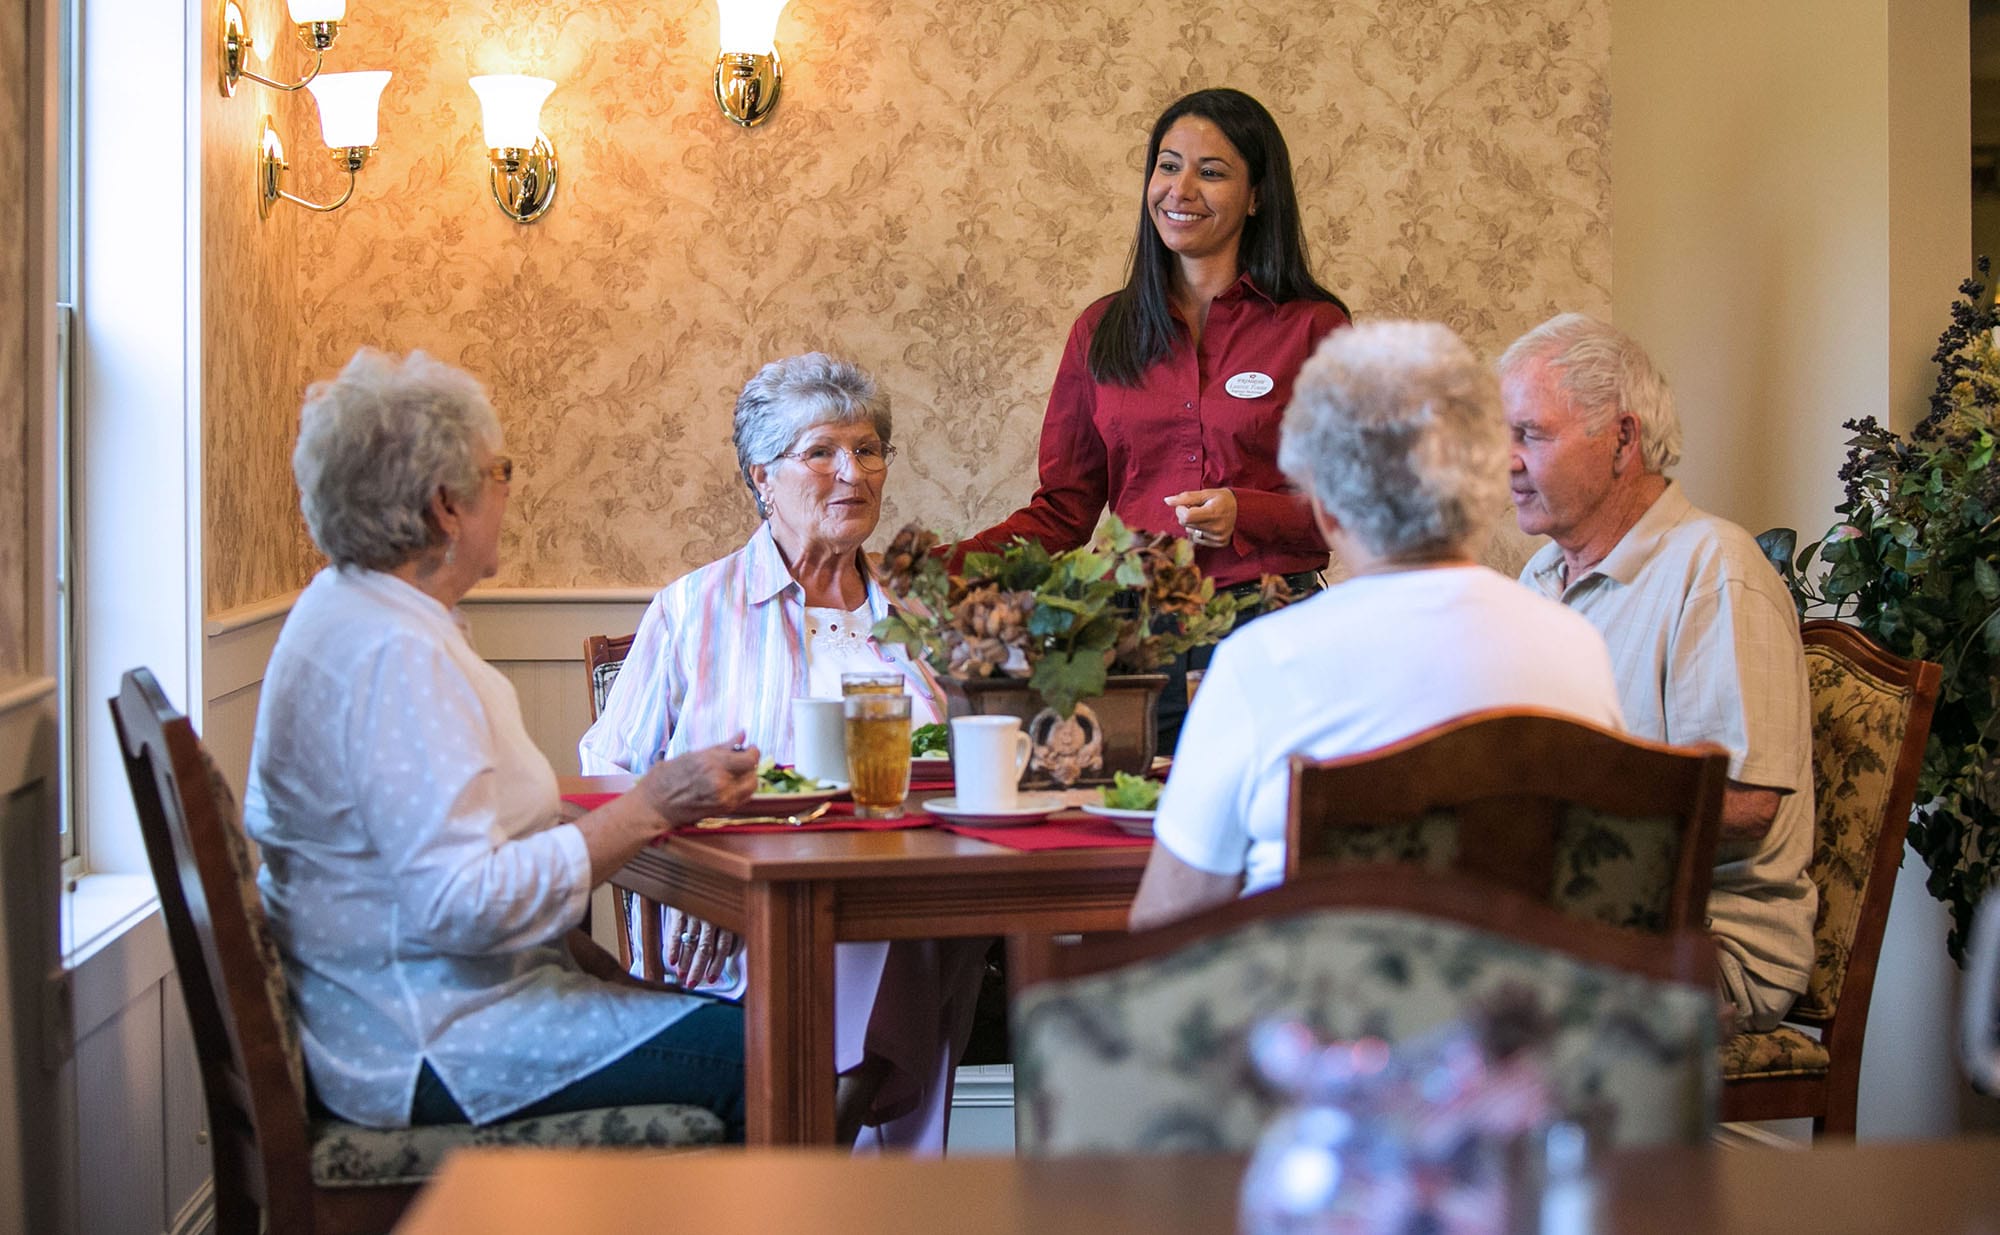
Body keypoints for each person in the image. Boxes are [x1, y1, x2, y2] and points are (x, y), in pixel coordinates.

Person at [244, 350, 757, 1138]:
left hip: (400, 1011)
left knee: (750, 1031)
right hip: (433, 1038)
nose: (509, 490)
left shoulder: (354, 612)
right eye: (500, 470)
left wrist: (597, 965)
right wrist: (647, 806)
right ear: (447, 504)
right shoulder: (393, 653)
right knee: (771, 1056)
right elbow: (459, 904)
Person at [578, 353, 985, 1152]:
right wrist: (689, 885)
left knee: (912, 925)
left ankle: (825, 1146)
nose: (853, 473)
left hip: (906, 911)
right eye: (822, 451)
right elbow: (606, 775)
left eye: (869, 450)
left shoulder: (914, 626)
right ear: (762, 476)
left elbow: (957, 781)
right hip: (740, 923)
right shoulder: (693, 610)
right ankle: (830, 1134)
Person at [1128, 321, 1625, 928]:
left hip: (1318, 1014)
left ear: (1327, 511)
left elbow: (1165, 926)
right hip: (1523, 1014)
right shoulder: (1577, 647)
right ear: (1481, 487)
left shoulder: (1262, 661)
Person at [955, 87, 1352, 745]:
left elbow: (1349, 504)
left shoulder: (1314, 328)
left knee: (1268, 833)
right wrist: (952, 568)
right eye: (1168, 166)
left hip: (1272, 626)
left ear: (1257, 195)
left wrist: (1244, 510)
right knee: (1125, 826)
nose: (1181, 188)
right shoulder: (1100, 330)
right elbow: (1065, 508)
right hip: (1132, 639)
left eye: (1212, 171)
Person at [1500, 313, 1816, 1035]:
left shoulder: (1715, 569)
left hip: (1708, 940)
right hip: (1575, 912)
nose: (1506, 459)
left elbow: (1746, 803)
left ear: (1622, 439)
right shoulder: (1539, 576)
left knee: (1454, 995)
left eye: (1531, 434)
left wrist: (1552, 812)